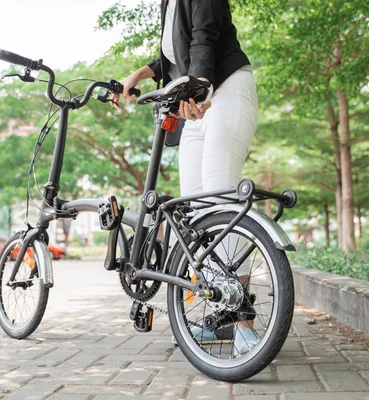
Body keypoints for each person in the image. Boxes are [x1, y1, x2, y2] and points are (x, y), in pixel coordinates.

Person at [112, 0, 259, 355]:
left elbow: (203, 38)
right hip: (193, 104)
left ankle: (244, 324)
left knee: (219, 195)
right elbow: (172, 57)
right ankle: (219, 316)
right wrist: (137, 76)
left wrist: (201, 87)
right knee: (194, 212)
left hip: (224, 91)